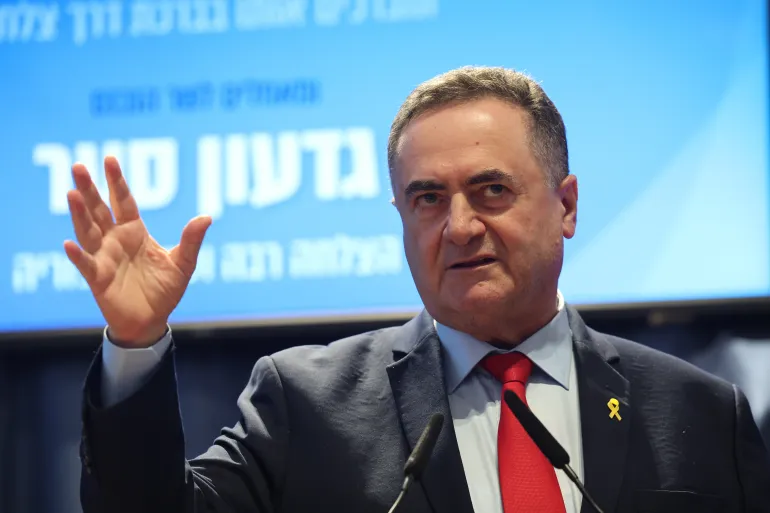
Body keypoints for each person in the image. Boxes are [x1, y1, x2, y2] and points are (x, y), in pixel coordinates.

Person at [70, 66, 770, 513]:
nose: (459, 227)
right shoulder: (307, 404)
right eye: (428, 198)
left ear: (566, 206)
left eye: (491, 190)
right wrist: (135, 342)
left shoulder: (701, 412)